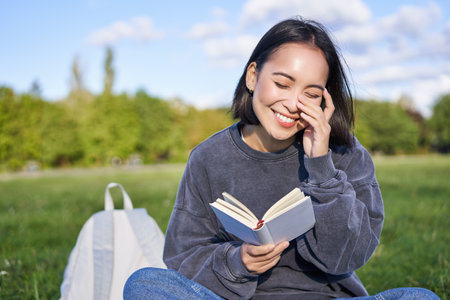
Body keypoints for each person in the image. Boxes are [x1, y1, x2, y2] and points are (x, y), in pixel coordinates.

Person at [124, 17, 439, 300]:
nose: (292, 104)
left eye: (311, 94)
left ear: (325, 100)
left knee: (420, 298)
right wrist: (238, 262)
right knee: (145, 284)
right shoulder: (207, 158)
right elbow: (183, 257)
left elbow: (346, 258)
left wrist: (322, 168)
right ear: (253, 76)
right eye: (282, 84)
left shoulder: (346, 154)